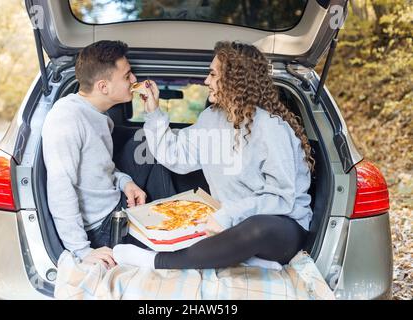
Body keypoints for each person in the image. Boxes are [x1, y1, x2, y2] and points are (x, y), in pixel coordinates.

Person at [112, 41, 315, 270]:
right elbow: (175, 156)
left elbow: (282, 198)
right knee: (218, 227)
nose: (206, 81)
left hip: (282, 225)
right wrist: (153, 111)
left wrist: (229, 214)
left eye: (212, 74)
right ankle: (240, 256)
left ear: (234, 79)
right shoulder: (211, 118)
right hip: (231, 225)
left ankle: (156, 261)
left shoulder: (271, 127)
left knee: (257, 228)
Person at [42, 40, 175, 269]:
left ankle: (174, 226)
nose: (134, 80)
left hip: (116, 202)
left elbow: (102, 166)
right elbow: (60, 187)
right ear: (103, 87)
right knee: (165, 255)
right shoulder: (67, 118)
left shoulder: (99, 115)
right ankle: (174, 239)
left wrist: (126, 182)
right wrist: (82, 250)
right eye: (127, 76)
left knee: (151, 145)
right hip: (101, 228)